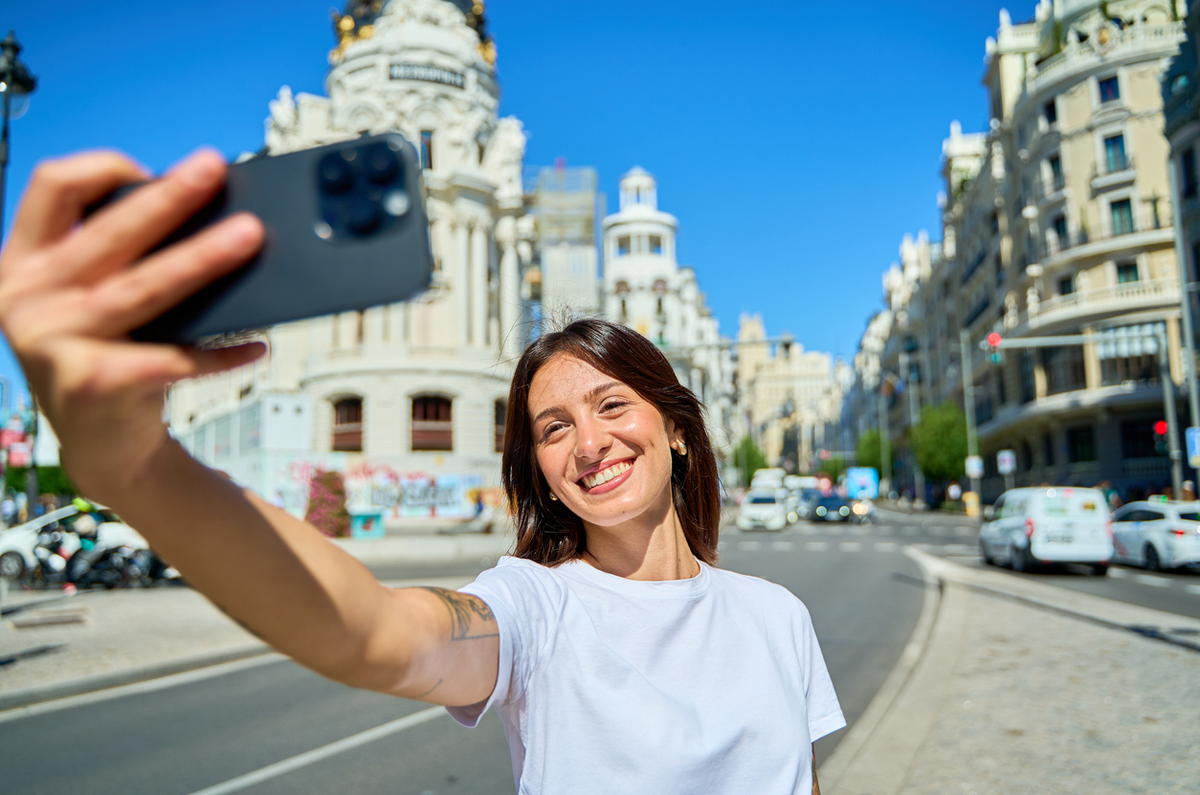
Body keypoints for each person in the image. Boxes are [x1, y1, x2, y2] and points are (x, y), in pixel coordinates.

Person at [0, 150, 844, 793]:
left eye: (613, 406)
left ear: (679, 431)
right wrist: (138, 466)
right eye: (553, 428)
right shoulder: (535, 607)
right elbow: (375, 633)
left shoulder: (778, 618)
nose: (588, 443)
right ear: (540, 470)